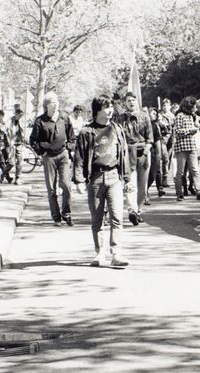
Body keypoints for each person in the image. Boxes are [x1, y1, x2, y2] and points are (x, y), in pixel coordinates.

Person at [72, 94, 130, 267]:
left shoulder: (117, 129)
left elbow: (124, 153)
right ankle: (99, 253)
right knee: (97, 218)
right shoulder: (86, 132)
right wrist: (79, 180)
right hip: (96, 178)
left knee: (117, 217)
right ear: (98, 110)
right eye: (106, 107)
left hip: (114, 177)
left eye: (111, 106)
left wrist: (126, 178)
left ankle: (116, 253)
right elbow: (79, 157)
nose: (110, 110)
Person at [29, 91, 76, 226]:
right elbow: (33, 140)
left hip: (63, 155)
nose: (55, 105)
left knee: (66, 185)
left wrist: (69, 147)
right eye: (52, 103)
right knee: (52, 189)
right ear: (46, 105)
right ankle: (56, 217)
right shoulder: (40, 121)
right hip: (48, 157)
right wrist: (41, 152)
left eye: (57, 102)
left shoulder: (64, 118)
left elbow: (72, 136)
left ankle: (66, 213)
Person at [116, 92, 152, 224]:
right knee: (130, 185)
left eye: (133, 100)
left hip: (143, 151)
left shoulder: (144, 117)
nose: (131, 103)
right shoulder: (120, 119)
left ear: (137, 102)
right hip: (127, 152)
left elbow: (150, 139)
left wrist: (145, 154)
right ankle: (132, 211)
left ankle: (138, 209)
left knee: (142, 187)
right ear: (125, 103)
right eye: (128, 101)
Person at [172, 96, 200, 202]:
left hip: (192, 146)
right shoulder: (180, 115)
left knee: (195, 170)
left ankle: (199, 191)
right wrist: (190, 130)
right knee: (180, 172)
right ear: (188, 106)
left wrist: (196, 126)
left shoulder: (191, 116)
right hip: (181, 147)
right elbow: (177, 131)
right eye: (194, 106)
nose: (195, 108)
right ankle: (179, 194)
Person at [148, 107, 165, 198]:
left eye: (156, 114)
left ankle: (158, 187)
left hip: (154, 152)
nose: (155, 115)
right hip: (144, 151)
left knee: (153, 173)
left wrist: (159, 154)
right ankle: (144, 192)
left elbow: (158, 140)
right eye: (153, 113)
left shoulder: (155, 125)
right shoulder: (145, 124)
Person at [0, 110, 13, 182]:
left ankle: (4, 176)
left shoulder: (4, 123)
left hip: (5, 145)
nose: (0, 117)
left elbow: (7, 133)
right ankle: (6, 177)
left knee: (8, 162)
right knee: (2, 162)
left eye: (1, 116)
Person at [9, 108, 26, 185]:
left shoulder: (21, 121)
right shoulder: (10, 121)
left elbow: (23, 131)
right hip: (11, 143)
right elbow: (7, 131)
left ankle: (18, 178)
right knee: (11, 162)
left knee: (19, 161)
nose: (20, 117)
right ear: (16, 114)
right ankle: (4, 174)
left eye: (21, 115)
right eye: (19, 115)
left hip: (19, 143)